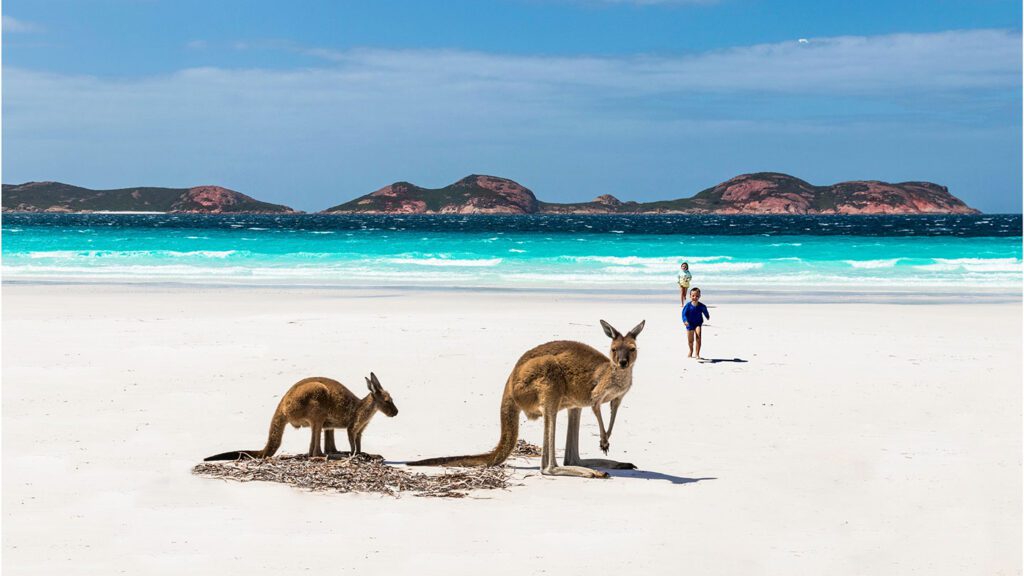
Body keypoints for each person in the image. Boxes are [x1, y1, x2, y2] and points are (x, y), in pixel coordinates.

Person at [682, 287, 710, 359]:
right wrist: (685, 321)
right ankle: (691, 351)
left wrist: (707, 316)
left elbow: (705, 310)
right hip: (689, 324)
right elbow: (683, 314)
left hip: (698, 323)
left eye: (697, 296)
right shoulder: (688, 306)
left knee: (698, 337)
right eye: (693, 296)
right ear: (690, 296)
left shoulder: (701, 306)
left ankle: (697, 354)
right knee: (690, 341)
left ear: (699, 296)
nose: (695, 297)